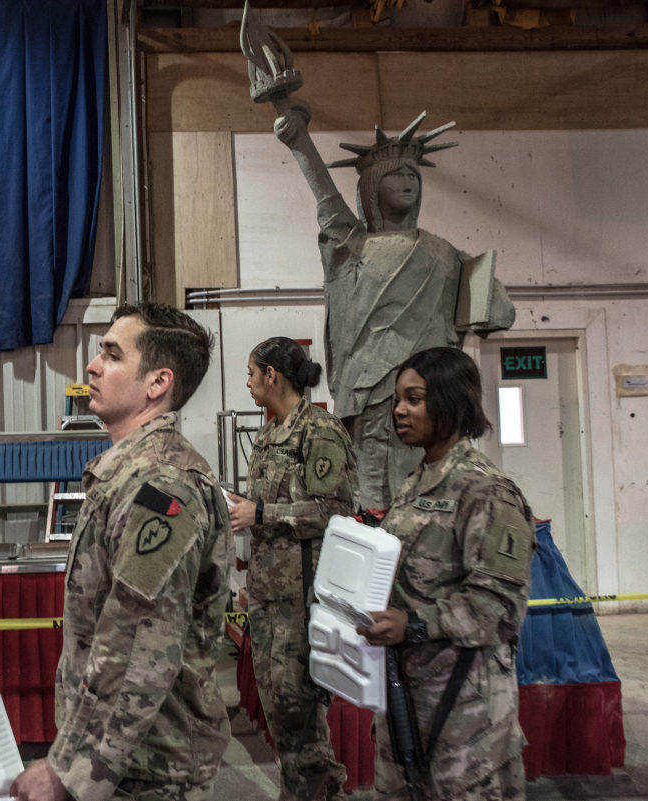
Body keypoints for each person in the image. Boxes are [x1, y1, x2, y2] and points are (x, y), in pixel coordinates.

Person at [238, 6, 515, 509]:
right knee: (370, 498)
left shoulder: (445, 253)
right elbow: (326, 201)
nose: (407, 180)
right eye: (393, 175)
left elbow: (495, 311)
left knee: (427, 492)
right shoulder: (354, 249)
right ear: (369, 190)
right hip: (367, 399)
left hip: (431, 397)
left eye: (414, 174)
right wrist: (299, 137)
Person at [10, 302, 233, 801]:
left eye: (111, 354)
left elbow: (138, 646)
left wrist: (73, 772)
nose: (92, 366)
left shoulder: (159, 484)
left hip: (148, 771)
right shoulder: (129, 475)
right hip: (127, 762)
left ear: (157, 383)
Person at [357, 348, 534, 801]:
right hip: (409, 702)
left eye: (414, 399)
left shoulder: (486, 490)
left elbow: (501, 606)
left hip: (465, 717)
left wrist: (414, 624)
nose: (399, 410)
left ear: (453, 402)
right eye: (398, 399)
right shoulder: (417, 483)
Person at [226, 338, 359, 801]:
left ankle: (317, 794)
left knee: (299, 716)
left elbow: (337, 509)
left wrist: (262, 513)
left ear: (272, 375)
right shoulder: (267, 434)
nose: (246, 382)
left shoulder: (319, 431)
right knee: (283, 716)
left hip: (303, 600)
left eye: (250, 372)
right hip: (268, 597)